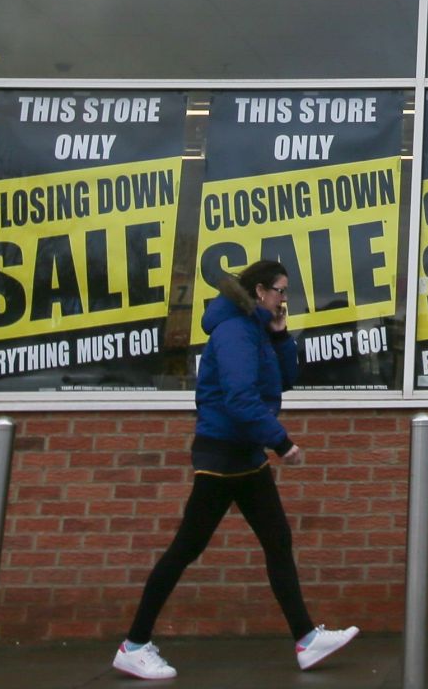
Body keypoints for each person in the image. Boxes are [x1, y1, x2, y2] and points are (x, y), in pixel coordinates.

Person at [113, 260, 358, 678]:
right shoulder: (233, 332)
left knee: (277, 539)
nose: (285, 298)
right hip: (223, 456)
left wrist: (280, 336)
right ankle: (134, 644)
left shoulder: (256, 329)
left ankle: (306, 639)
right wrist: (282, 443)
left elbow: (286, 381)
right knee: (186, 548)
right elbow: (239, 398)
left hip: (244, 456)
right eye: (281, 291)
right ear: (260, 291)